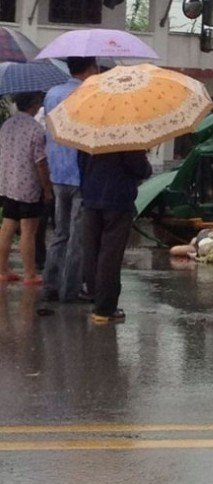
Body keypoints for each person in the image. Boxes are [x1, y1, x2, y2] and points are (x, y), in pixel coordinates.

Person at [42, 57, 98, 303]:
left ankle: (50, 285)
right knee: (77, 237)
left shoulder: (52, 94)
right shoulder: (89, 94)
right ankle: (70, 290)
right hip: (80, 175)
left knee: (59, 232)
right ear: (90, 69)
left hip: (57, 172)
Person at [78, 150, 152, 323]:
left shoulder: (87, 133)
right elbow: (139, 167)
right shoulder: (125, 137)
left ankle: (96, 297)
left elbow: (81, 165)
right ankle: (105, 309)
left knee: (92, 251)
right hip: (117, 200)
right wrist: (146, 166)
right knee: (110, 254)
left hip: (90, 199)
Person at [0, 92, 52, 284]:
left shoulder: (6, 125)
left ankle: (2, 270)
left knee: (7, 225)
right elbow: (40, 162)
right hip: (29, 186)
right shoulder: (36, 129)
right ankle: (30, 273)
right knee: (28, 230)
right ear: (34, 104)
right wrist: (47, 188)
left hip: (8, 184)